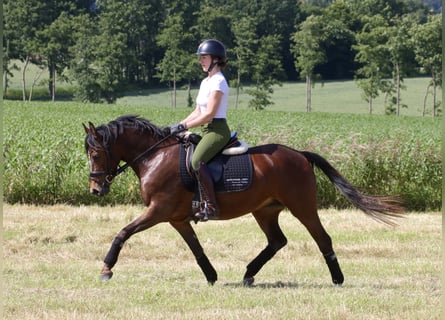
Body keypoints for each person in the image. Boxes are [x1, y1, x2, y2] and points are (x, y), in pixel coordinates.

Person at [168, 39, 231, 221]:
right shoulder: (206, 82)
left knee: (196, 161)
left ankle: (211, 206)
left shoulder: (219, 82)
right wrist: (178, 125)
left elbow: (209, 114)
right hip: (204, 129)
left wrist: (185, 127)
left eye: (204, 57)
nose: (200, 61)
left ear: (216, 59)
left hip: (216, 131)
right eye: (200, 57)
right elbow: (198, 111)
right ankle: (192, 201)